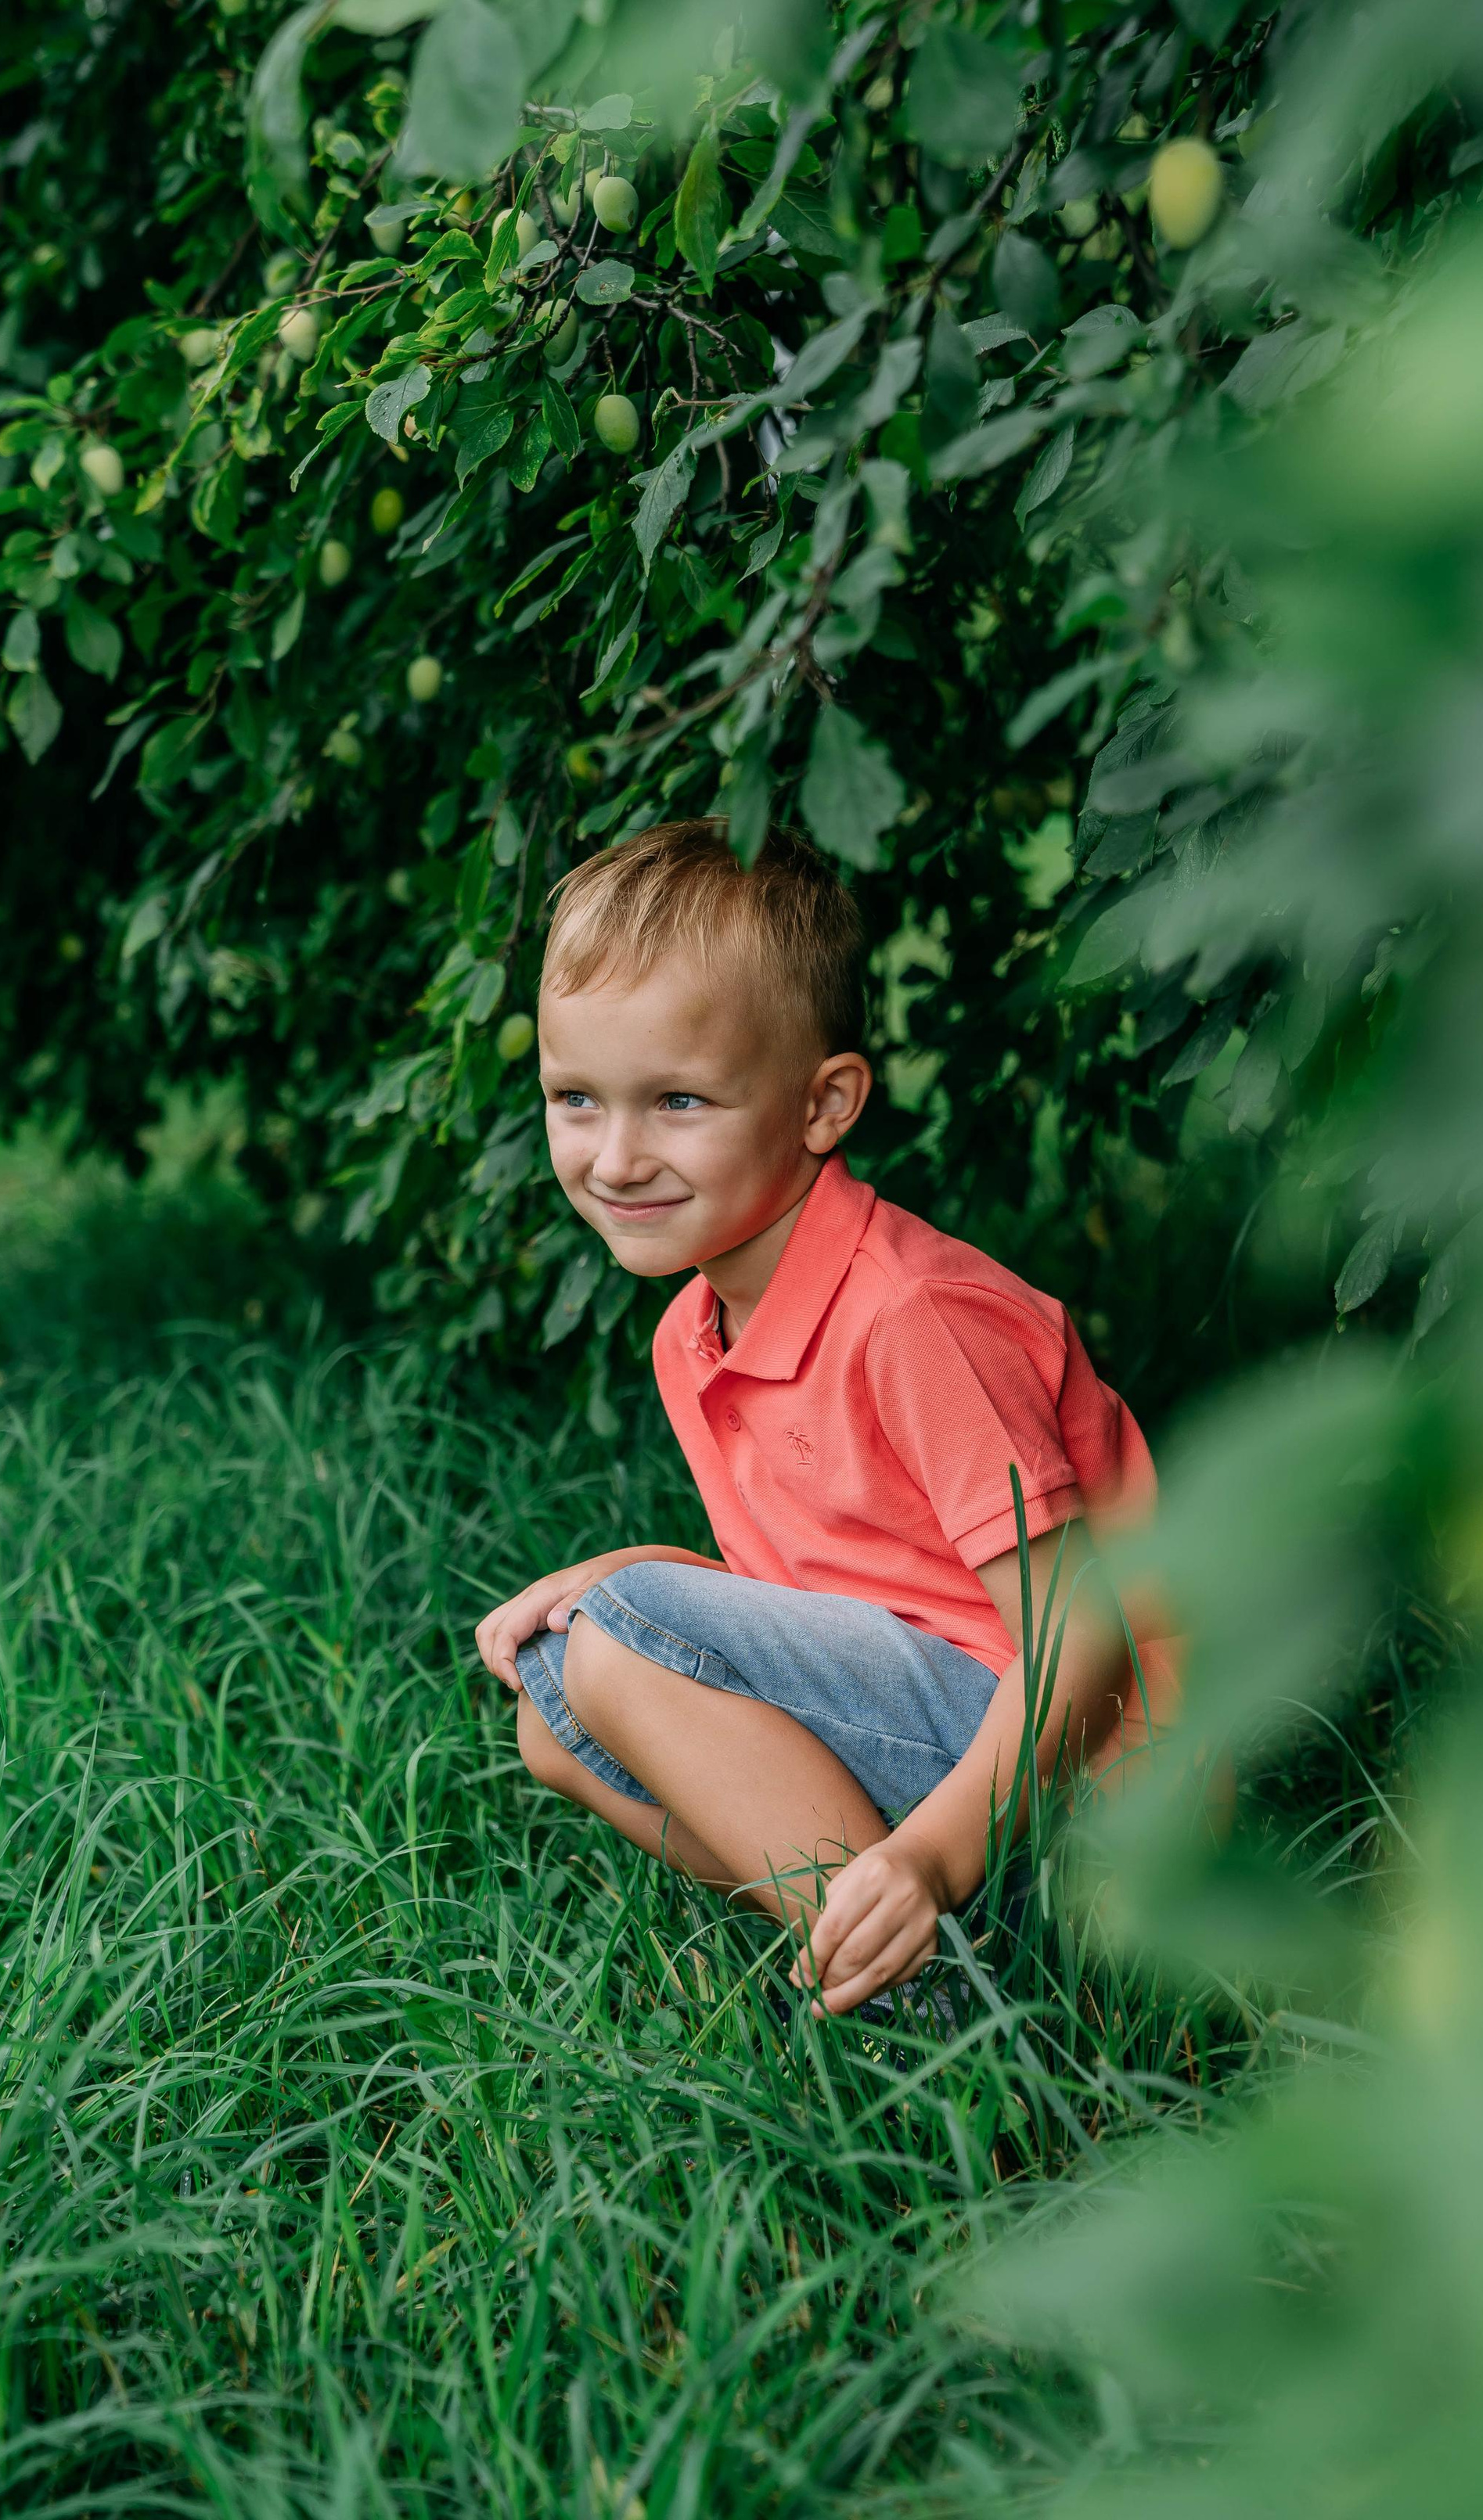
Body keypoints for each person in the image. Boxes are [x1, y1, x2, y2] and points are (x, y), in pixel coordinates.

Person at [472, 818, 1162, 2019]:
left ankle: (955, 2004)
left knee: (619, 1638)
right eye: (576, 1097)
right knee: (555, 1698)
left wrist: (935, 1852)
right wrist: (636, 1569)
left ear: (823, 1104)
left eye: (678, 1100)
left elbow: (1079, 1639)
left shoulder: (912, 1317)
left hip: (1092, 1785)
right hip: (957, 1736)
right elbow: (827, 1596)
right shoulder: (693, 1337)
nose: (616, 1156)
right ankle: (888, 1942)